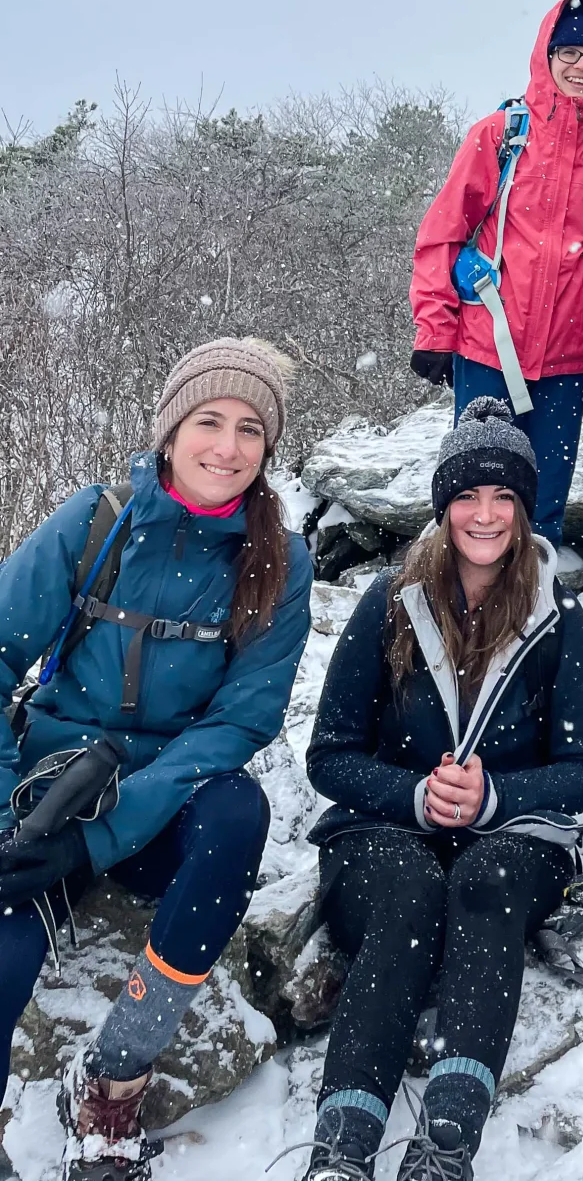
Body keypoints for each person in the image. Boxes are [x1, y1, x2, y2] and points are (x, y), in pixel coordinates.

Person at [0, 339, 312, 1181]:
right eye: (209, 420)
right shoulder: (96, 520)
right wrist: (9, 818)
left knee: (239, 816)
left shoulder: (279, 560)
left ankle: (115, 1081)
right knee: (5, 943)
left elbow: (240, 723)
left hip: (165, 801)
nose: (227, 447)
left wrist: (101, 839)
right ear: (170, 431)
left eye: (251, 429)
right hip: (53, 778)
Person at [301, 397, 583, 1181]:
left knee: (482, 880)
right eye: (468, 495)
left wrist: (494, 799)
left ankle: (446, 1142)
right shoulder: (390, 603)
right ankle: (341, 1148)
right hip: (383, 832)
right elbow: (330, 754)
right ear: (443, 506)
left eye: (504, 496)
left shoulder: (558, 617)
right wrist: (412, 798)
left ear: (524, 507)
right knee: (408, 892)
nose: (485, 514)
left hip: (514, 840)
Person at [410, 0, 583, 546]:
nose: (581, 67)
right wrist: (435, 329)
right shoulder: (499, 135)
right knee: (474, 498)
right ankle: (462, 620)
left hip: (566, 364)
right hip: (487, 351)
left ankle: (531, 618)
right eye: (570, 54)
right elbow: (441, 234)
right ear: (546, 55)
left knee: (542, 507)